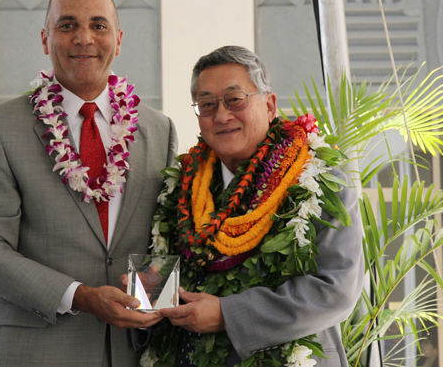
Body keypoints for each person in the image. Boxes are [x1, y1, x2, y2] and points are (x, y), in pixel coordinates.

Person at [0, 0, 177, 367]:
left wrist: (155, 289)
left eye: (98, 25)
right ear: (46, 39)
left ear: (119, 39)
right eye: (68, 25)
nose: (84, 38)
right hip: (38, 354)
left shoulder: (159, 130)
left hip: (135, 353)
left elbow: (167, 239)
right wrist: (82, 296)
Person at [145, 46, 364, 367]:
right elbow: (170, 274)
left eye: (235, 99)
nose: (221, 115)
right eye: (207, 104)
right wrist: (148, 293)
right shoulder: (181, 185)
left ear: (270, 104)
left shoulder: (319, 179)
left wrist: (226, 314)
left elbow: (335, 292)